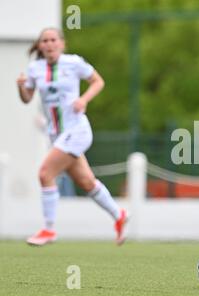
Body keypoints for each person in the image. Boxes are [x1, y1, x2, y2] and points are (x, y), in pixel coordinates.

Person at [17, 28, 128, 246]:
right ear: (40, 46)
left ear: (61, 43)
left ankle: (48, 230)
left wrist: (84, 100)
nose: (49, 44)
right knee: (87, 183)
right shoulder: (35, 68)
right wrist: (20, 87)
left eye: (53, 40)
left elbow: (98, 81)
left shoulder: (74, 62)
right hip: (57, 135)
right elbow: (26, 98)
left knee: (45, 173)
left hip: (77, 131)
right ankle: (119, 214)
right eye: (45, 41)